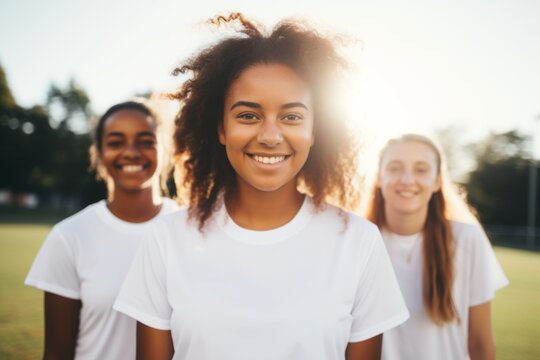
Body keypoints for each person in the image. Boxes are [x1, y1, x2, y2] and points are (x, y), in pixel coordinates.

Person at [113, 13, 409, 360]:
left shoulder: (359, 242)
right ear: (220, 129)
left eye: (292, 116)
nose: (270, 136)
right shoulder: (167, 239)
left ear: (315, 131)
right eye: (249, 115)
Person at [25, 100, 180, 359]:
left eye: (145, 141)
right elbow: (57, 352)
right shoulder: (70, 236)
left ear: (164, 149)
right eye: (116, 142)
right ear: (98, 153)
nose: (131, 152)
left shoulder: (192, 229)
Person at [364, 133, 509, 360]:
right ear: (379, 177)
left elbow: (481, 345)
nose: (407, 179)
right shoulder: (357, 242)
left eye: (421, 169)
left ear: (437, 181)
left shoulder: (467, 240)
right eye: (395, 167)